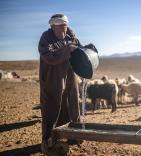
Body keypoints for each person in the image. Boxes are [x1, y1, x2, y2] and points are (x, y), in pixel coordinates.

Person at [38, 14, 82, 155]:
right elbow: (49, 56)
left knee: (71, 103)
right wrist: (67, 50)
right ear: (52, 27)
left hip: (69, 74)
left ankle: (73, 136)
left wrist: (85, 49)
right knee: (51, 105)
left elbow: (78, 48)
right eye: (59, 30)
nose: (62, 33)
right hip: (52, 76)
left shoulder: (70, 34)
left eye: (64, 28)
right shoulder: (46, 38)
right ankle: (49, 140)